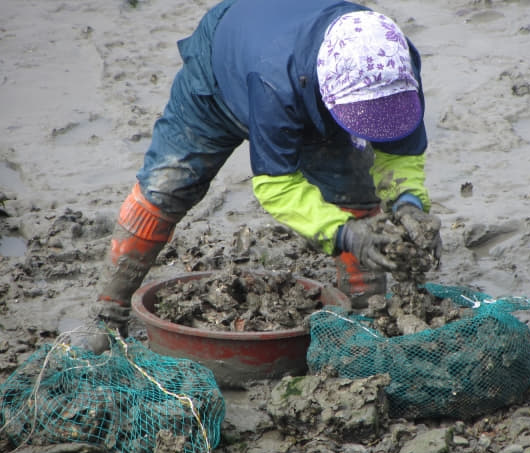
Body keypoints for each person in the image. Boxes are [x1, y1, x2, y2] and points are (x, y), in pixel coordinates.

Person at [75, 0, 442, 353]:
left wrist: (409, 204)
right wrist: (345, 234)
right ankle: (108, 312)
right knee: (168, 185)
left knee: (354, 192)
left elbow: (400, 151)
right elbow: (275, 186)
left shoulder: (395, 62)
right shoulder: (275, 82)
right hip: (222, 76)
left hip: (300, 73)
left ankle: (366, 312)